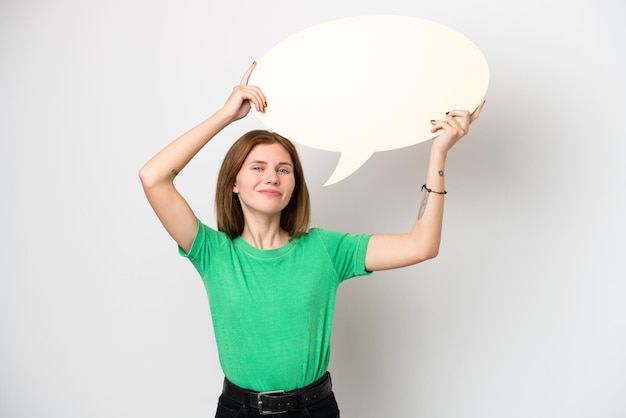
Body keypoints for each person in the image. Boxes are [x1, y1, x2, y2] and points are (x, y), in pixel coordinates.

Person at [139, 62, 484, 417]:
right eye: (257, 167)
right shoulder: (212, 252)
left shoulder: (325, 249)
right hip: (238, 410)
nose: (271, 177)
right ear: (234, 184)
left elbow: (421, 245)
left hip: (313, 410)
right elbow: (153, 178)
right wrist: (226, 116)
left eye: (283, 169)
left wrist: (438, 154)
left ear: (293, 188)